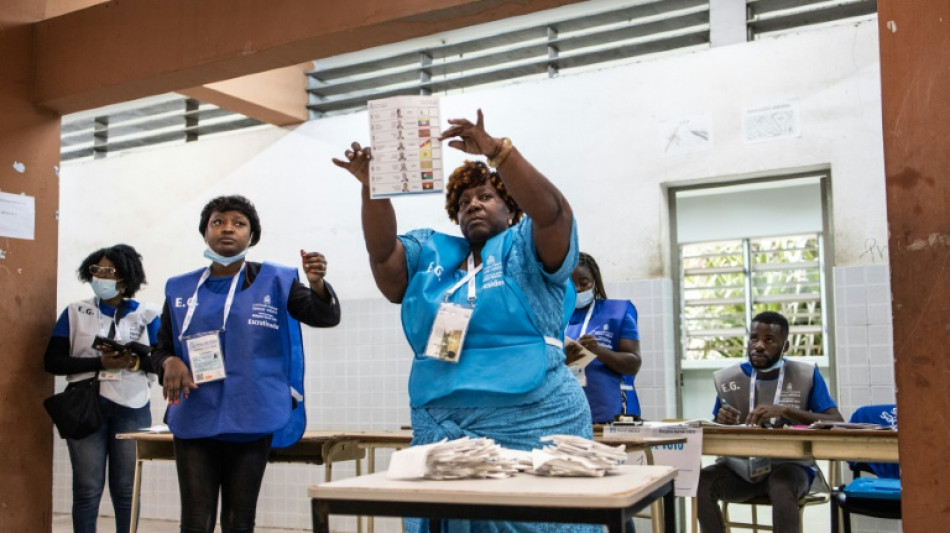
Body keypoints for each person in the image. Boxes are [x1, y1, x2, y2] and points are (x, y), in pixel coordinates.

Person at [334, 109, 596, 533]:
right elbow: (383, 254)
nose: (472, 204)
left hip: (535, 419)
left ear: (511, 207)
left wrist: (498, 153)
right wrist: (372, 188)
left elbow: (553, 214)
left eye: (485, 196)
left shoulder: (526, 246)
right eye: (463, 202)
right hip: (443, 426)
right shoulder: (431, 252)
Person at [151, 195, 341, 532]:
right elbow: (160, 347)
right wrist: (169, 361)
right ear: (205, 232)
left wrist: (316, 285)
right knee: (195, 520)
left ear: (251, 236)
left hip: (252, 414)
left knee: (239, 520)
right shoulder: (180, 288)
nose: (228, 229)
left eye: (239, 223)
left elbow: (324, 317)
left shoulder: (277, 281)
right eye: (218, 222)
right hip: (195, 414)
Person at [44, 244, 160, 533]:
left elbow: (162, 361)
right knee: (86, 488)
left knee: (126, 489)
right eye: (97, 270)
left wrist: (134, 361)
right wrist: (100, 363)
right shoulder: (75, 311)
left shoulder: (147, 314)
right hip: (85, 405)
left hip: (132, 405)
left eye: (110, 271)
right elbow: (52, 361)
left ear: (126, 278)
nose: (101, 276)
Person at [697, 311, 843, 533]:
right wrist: (721, 420)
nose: (759, 346)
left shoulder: (806, 375)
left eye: (769, 340)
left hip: (791, 467)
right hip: (740, 470)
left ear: (785, 346)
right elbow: (717, 423)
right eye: (754, 338)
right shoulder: (729, 379)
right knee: (701, 482)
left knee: (782, 486)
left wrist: (785, 410)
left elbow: (836, 420)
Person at [565, 252, 642, 423]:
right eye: (571, 284)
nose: (578, 289)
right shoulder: (554, 316)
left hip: (606, 412)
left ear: (595, 282)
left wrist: (597, 350)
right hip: (563, 412)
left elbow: (633, 364)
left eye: (584, 283)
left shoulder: (617, 313)